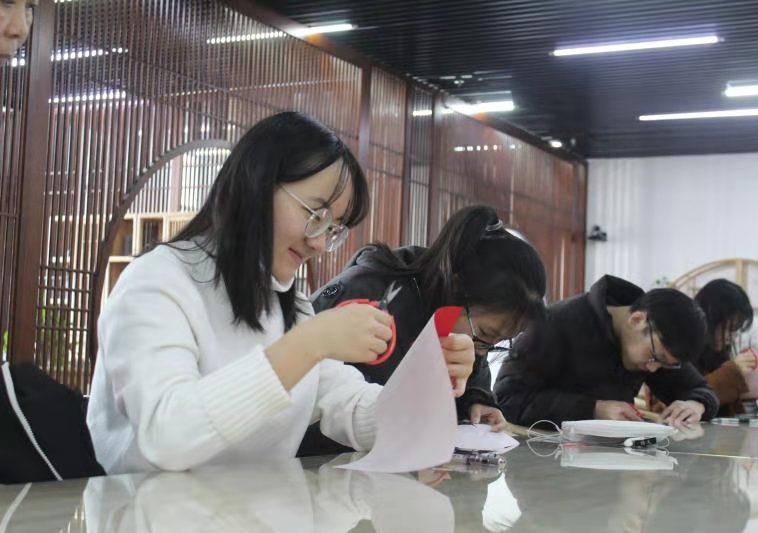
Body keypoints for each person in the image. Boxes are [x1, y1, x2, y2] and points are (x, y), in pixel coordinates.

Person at [86, 112, 475, 474]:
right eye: (316, 214)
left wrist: (425, 383)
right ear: (255, 184)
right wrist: (308, 345)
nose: (319, 243)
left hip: (256, 511)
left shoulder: (289, 305)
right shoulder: (157, 282)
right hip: (147, 512)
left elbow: (355, 412)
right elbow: (167, 436)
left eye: (333, 228)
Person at [298, 206, 547, 455]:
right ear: (455, 288)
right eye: (486, 334)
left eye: (498, 342)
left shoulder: (463, 322)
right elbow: (312, 387)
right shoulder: (366, 294)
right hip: (318, 461)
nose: (481, 351)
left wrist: (476, 401)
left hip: (395, 457)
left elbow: (470, 377)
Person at [495, 275, 719, 427]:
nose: (654, 369)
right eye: (656, 358)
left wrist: (695, 405)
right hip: (543, 464)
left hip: (612, 465)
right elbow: (507, 399)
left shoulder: (657, 347)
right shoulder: (554, 324)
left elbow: (700, 389)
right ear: (637, 319)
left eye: (663, 363)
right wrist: (593, 409)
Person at [692, 279, 755, 415]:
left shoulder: (717, 354)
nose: (731, 338)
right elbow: (685, 401)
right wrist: (733, 372)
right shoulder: (680, 353)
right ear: (710, 321)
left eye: (736, 330)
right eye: (729, 329)